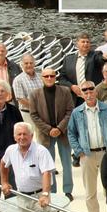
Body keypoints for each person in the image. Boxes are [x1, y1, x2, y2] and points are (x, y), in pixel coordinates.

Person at [67, 81, 107, 212]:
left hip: (106, 153)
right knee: (90, 191)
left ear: (96, 92)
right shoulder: (77, 113)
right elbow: (71, 133)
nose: (88, 93)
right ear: (81, 94)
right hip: (87, 155)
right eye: (85, 90)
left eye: (91, 89)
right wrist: (78, 151)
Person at [0, 123, 53, 212]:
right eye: (19, 134)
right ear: (14, 136)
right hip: (22, 197)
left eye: (25, 134)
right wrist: (4, 182)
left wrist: (45, 194)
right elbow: (3, 163)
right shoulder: (11, 150)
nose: (22, 137)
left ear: (32, 136)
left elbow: (46, 173)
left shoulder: (41, 151)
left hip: (40, 197)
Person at [29, 69, 75, 198]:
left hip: (63, 132)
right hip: (45, 134)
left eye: (52, 76)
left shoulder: (65, 91)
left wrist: (59, 128)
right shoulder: (34, 94)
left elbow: (70, 111)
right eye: (46, 76)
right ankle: (52, 191)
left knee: (66, 163)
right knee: (48, 165)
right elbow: (34, 115)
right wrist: (49, 129)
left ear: (55, 77)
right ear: (42, 78)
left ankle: (68, 190)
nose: (49, 78)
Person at [61, 34, 106, 104]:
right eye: (83, 42)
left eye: (87, 42)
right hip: (75, 98)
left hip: (93, 96)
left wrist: (104, 58)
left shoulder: (95, 55)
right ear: (77, 44)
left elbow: (100, 59)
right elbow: (62, 78)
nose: (86, 44)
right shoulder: (68, 59)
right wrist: (72, 86)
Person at [11, 54, 41, 131]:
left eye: (31, 63)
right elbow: (21, 99)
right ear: (21, 65)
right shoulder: (18, 80)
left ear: (34, 64)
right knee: (28, 138)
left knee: (42, 139)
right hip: (27, 114)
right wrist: (38, 107)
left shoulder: (41, 77)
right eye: (26, 63)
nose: (29, 65)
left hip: (42, 114)